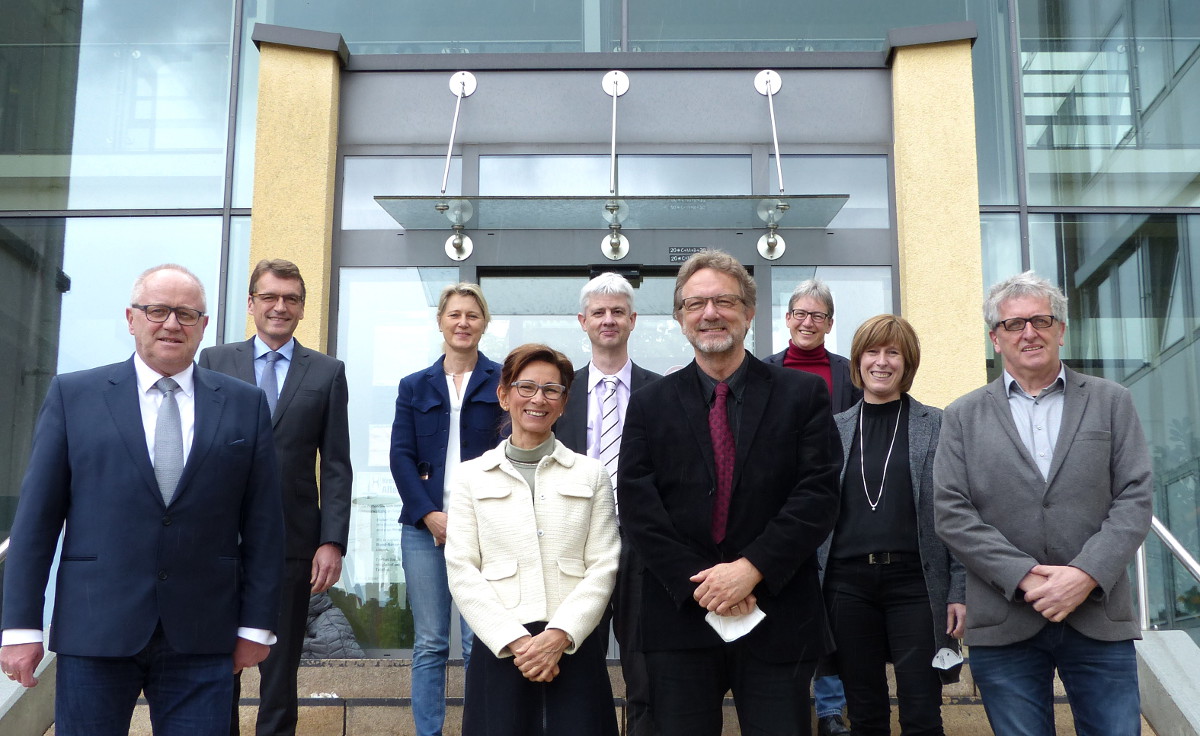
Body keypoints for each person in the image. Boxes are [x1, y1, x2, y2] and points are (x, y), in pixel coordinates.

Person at [0, 264, 284, 735]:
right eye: (157, 310)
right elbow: (36, 523)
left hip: (203, 633)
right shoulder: (75, 396)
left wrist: (256, 625)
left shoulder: (244, 404)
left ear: (204, 326)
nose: (172, 323)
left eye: (187, 314)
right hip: (95, 626)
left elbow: (264, 526)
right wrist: (21, 627)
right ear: (132, 318)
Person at [618, 249, 841, 736]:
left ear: (750, 311)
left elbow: (817, 495)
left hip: (777, 616)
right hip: (679, 618)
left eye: (724, 301)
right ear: (680, 318)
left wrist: (750, 570)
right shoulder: (649, 405)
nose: (710, 313)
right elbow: (638, 508)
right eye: (696, 304)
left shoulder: (802, 396)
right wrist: (706, 584)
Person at [933, 271, 1153, 736]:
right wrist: (1027, 577)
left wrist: (1084, 574)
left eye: (1040, 320)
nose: (1029, 332)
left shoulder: (1113, 402)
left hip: (1097, 614)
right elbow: (952, 513)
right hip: (1004, 619)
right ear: (996, 338)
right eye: (1014, 324)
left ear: (1061, 329)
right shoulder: (961, 416)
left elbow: (1134, 498)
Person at [198, 259, 352, 736]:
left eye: (290, 299)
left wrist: (333, 541)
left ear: (303, 308)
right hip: (220, 539)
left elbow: (337, 464)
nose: (279, 307)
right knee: (219, 662)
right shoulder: (214, 362)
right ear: (251, 304)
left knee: (280, 670)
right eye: (269, 297)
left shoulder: (327, 372)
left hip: (293, 541)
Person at [445, 343, 620, 736]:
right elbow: (462, 569)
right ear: (504, 396)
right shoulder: (472, 477)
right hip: (503, 646)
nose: (538, 399)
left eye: (551, 390)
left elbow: (604, 564)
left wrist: (559, 635)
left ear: (563, 403)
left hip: (573, 644)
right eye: (526, 387)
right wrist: (518, 643)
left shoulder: (591, 475)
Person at [822, 314, 965, 736]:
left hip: (916, 585)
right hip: (846, 586)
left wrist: (959, 589)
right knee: (864, 714)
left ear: (908, 362)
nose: (881, 362)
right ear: (857, 360)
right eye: (872, 351)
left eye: (892, 352)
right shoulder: (834, 429)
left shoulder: (938, 425)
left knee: (922, 711)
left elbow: (958, 511)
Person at [390, 282, 505, 736]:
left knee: (481, 640)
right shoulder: (414, 385)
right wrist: (429, 515)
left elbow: (507, 450)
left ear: (484, 323)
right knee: (431, 643)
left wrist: (472, 518)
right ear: (440, 321)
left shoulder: (502, 381)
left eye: (472, 316)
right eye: (454, 314)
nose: (463, 323)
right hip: (424, 529)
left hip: (486, 528)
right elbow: (400, 455)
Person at [556, 271, 661, 736]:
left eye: (618, 311)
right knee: (580, 667)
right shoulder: (559, 394)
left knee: (646, 670)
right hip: (578, 549)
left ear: (633, 319)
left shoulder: (661, 393)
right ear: (583, 321)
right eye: (599, 312)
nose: (608, 320)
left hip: (643, 549)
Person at [765, 278, 861, 736]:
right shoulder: (763, 370)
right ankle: (782, 700)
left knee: (829, 607)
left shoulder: (849, 375)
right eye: (800, 313)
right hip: (776, 508)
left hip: (835, 507)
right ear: (786, 319)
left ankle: (830, 710)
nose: (807, 322)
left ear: (830, 323)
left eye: (817, 316)